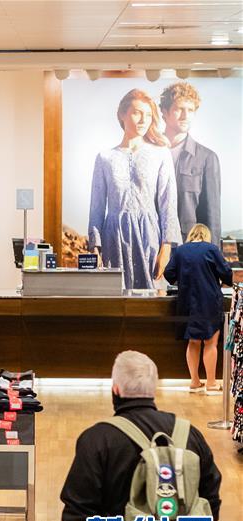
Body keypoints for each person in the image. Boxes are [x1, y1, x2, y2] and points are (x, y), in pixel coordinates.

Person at [60, 350, 222, 521]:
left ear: (115, 389)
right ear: (153, 388)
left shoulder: (98, 439)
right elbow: (211, 503)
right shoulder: (189, 435)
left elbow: (78, 511)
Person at [88, 88, 182, 291]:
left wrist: (166, 247)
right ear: (122, 114)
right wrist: (94, 247)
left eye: (148, 115)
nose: (143, 120)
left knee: (151, 297)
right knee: (115, 297)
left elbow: (168, 202)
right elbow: (96, 207)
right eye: (137, 113)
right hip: (113, 237)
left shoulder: (161, 154)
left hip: (149, 235)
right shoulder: (104, 158)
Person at [164, 224, 233, 394]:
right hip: (209, 301)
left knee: (193, 341)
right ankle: (211, 383)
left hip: (186, 302)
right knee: (210, 342)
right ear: (206, 235)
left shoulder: (180, 251)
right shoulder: (212, 249)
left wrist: (182, 279)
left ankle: (195, 382)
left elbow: (168, 273)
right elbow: (227, 273)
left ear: (192, 235)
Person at [160, 82, 222, 246]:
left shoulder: (207, 158)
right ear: (164, 112)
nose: (185, 115)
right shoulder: (148, 153)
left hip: (188, 249)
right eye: (179, 109)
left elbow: (212, 218)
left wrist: (211, 256)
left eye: (191, 110)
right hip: (152, 247)